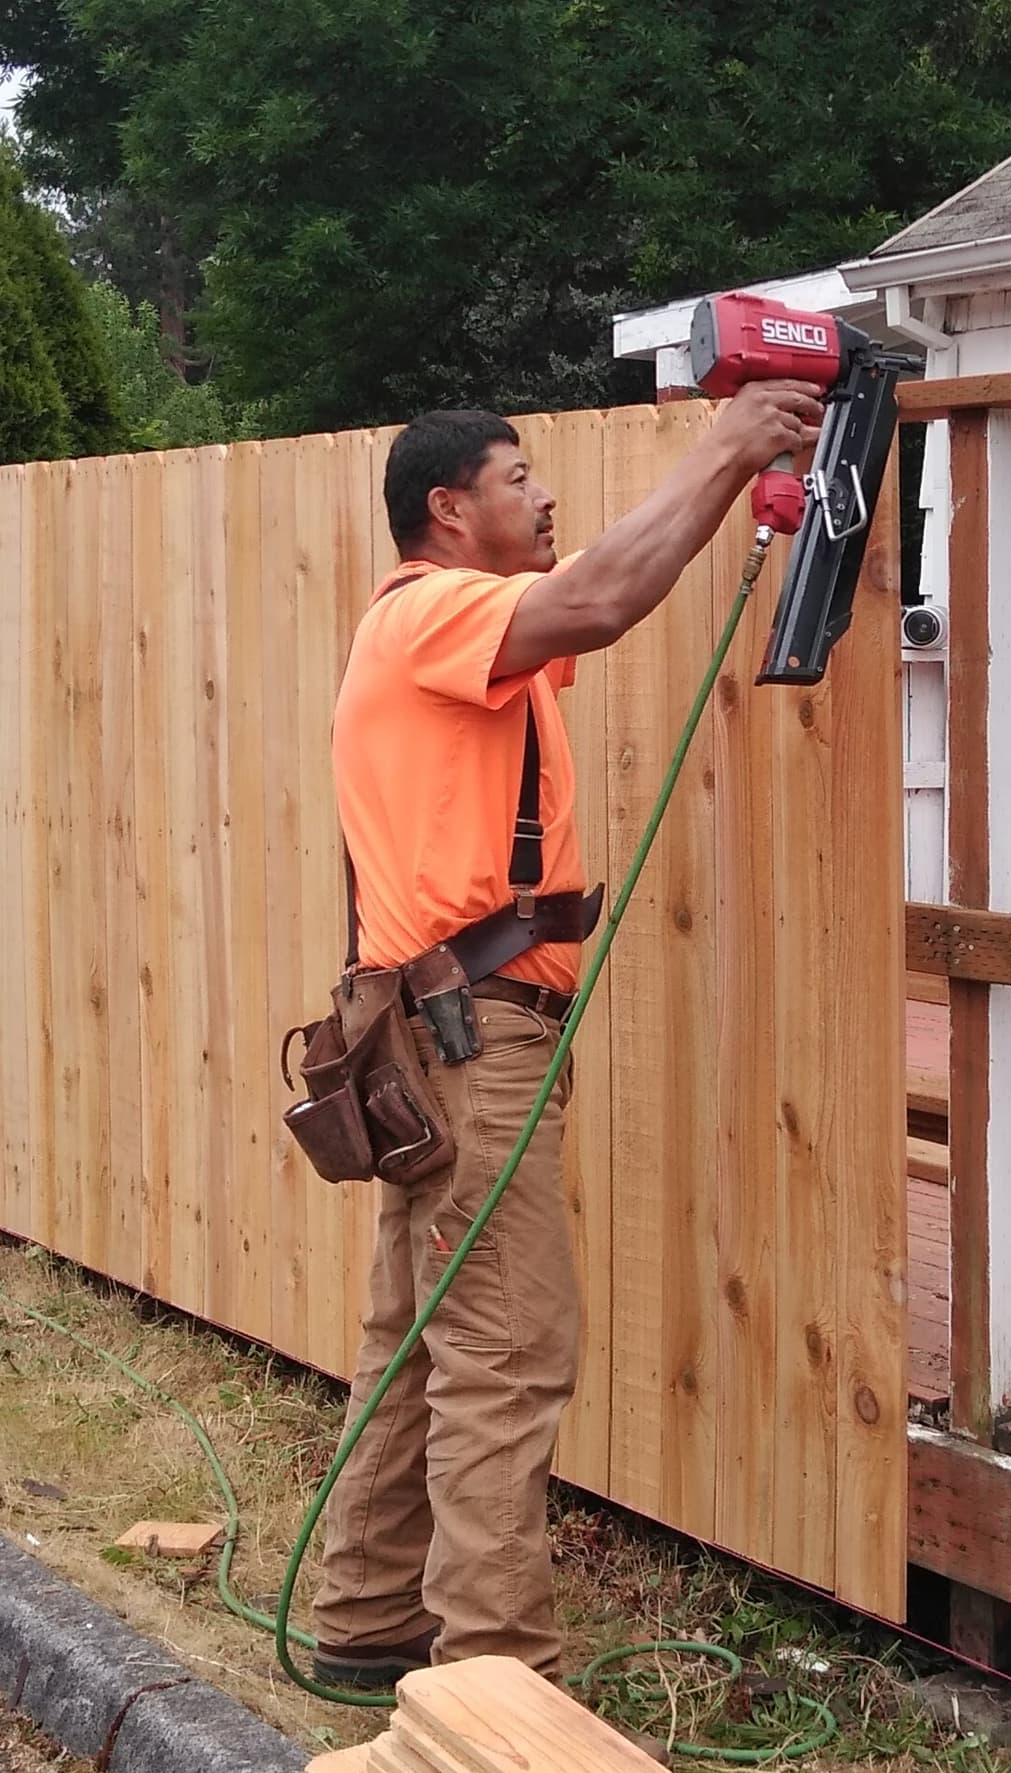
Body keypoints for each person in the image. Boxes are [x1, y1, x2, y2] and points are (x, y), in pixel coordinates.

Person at [311, 383, 826, 1686]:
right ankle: (496, 1684)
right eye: (518, 478)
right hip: (469, 1042)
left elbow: (599, 593)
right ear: (449, 509)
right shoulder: (431, 613)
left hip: (436, 1036)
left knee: (423, 1345)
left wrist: (730, 492)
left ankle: (368, 1624)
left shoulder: (475, 644)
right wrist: (727, 447)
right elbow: (600, 594)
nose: (545, 499)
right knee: (506, 1351)